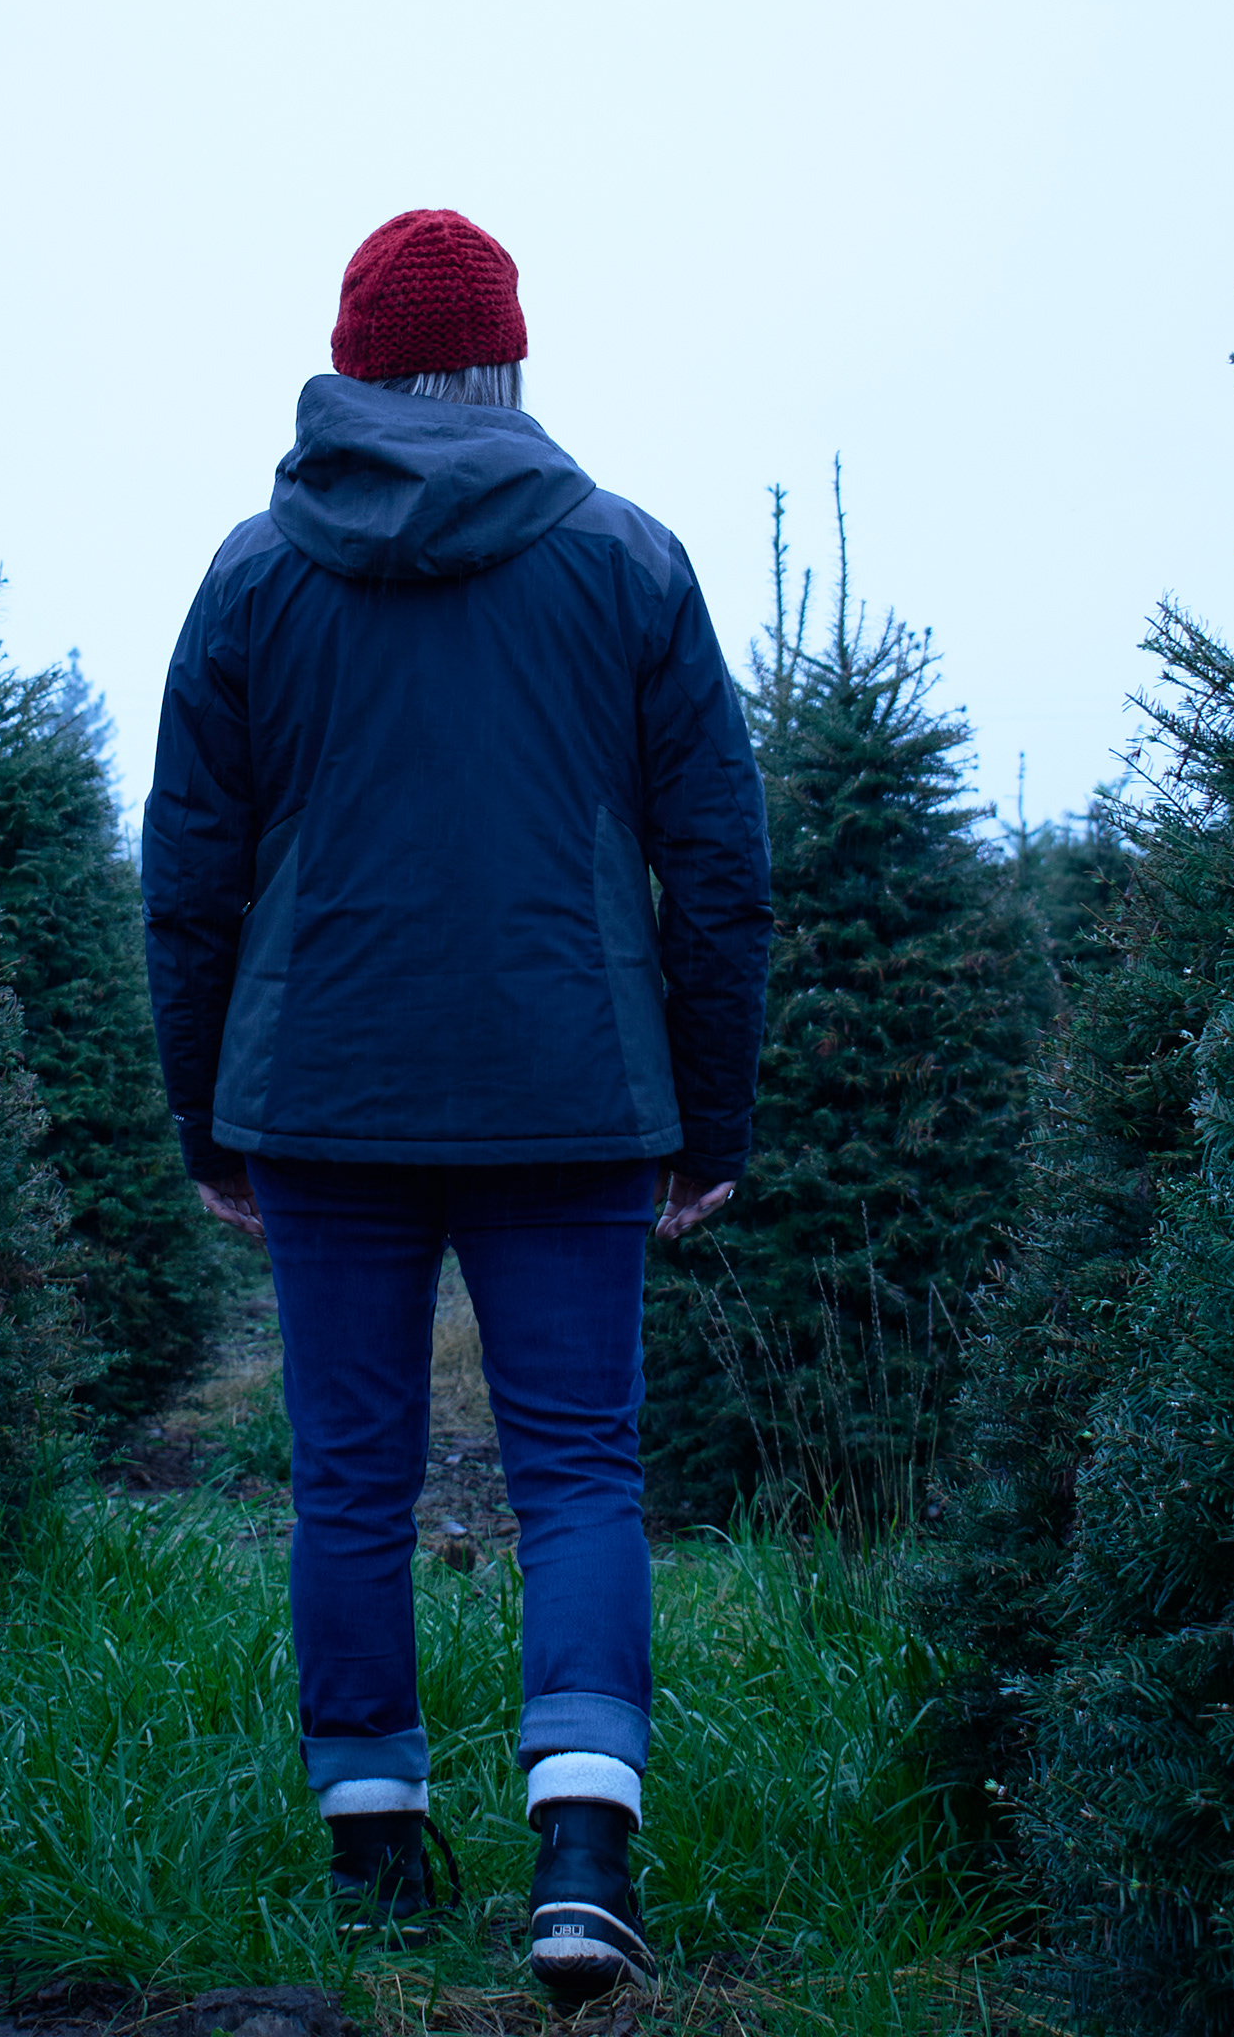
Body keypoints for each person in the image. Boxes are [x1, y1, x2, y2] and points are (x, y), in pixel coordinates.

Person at [142, 208, 773, 2003]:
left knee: (348, 1478)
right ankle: (583, 1864)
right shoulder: (627, 562)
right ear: (508, 366)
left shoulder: (257, 574)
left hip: (322, 1098)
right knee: (577, 1468)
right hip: (574, 1093)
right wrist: (706, 1121)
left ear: (349, 367)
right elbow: (717, 864)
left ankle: (374, 1871)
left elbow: (187, 873)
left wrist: (210, 1117)